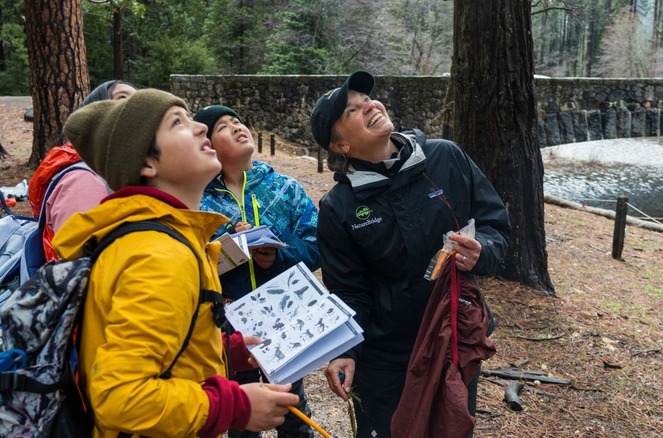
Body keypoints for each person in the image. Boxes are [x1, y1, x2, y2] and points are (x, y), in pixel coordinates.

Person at [54, 89, 299, 437]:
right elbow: (120, 398)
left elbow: (162, 352)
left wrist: (224, 351)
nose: (200, 127)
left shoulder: (155, 238)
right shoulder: (158, 254)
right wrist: (236, 406)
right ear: (147, 164)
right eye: (178, 123)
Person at [310, 71, 511, 437]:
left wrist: (482, 252)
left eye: (366, 99)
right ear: (340, 146)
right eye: (352, 110)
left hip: (454, 336)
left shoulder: (445, 157)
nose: (369, 106)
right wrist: (347, 352)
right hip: (387, 357)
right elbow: (349, 291)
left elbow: (495, 227)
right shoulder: (339, 207)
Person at [194, 104, 319, 438]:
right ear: (208, 145)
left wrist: (277, 257)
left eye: (238, 120)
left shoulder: (284, 188)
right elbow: (192, 265)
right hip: (230, 323)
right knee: (242, 413)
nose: (237, 126)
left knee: (292, 405)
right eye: (223, 126)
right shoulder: (200, 202)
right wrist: (227, 247)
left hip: (286, 316)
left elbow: (317, 244)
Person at [28, 79, 137, 263]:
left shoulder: (118, 174)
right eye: (123, 98)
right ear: (95, 116)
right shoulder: (83, 181)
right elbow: (84, 268)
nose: (137, 107)